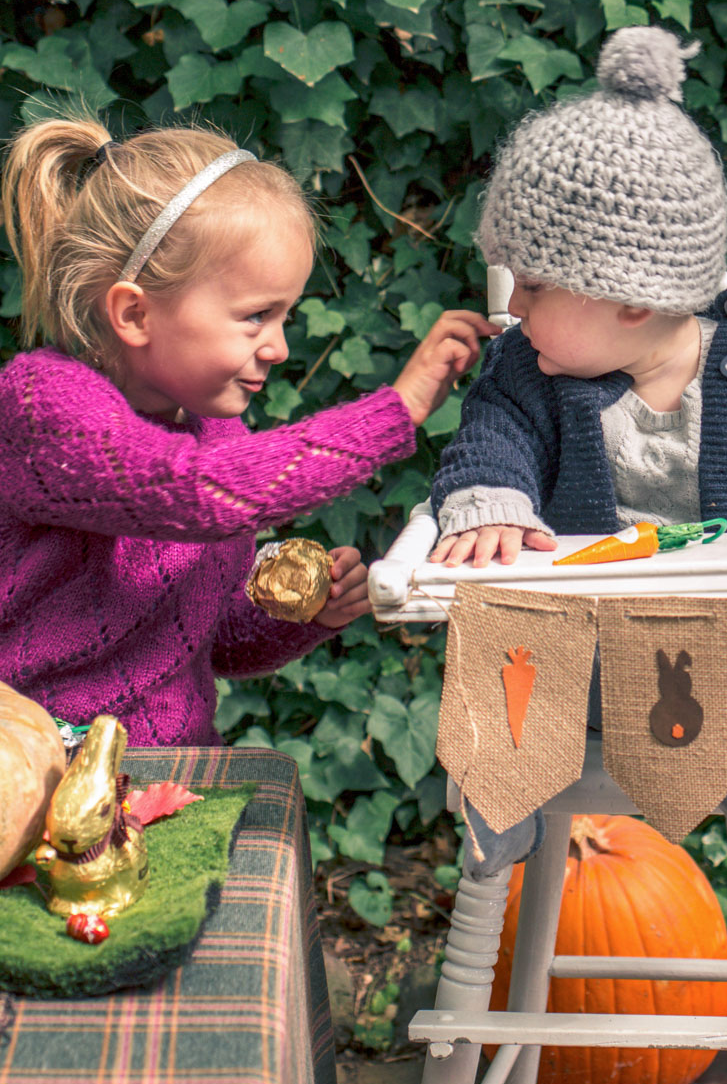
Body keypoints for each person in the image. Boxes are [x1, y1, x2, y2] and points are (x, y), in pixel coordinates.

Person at [428, 25, 727, 875]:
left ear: (631, 302)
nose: (513, 306)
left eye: (533, 285)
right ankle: (510, 784)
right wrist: (494, 504)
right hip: (595, 658)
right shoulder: (529, 376)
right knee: (513, 634)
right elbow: (489, 440)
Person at [0, 118, 497, 747]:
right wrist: (394, 411)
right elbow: (188, 492)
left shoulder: (218, 431)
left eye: (284, 314)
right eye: (256, 315)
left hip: (175, 773)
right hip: (34, 767)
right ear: (135, 313)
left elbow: (215, 641)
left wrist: (305, 615)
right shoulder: (43, 403)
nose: (281, 346)